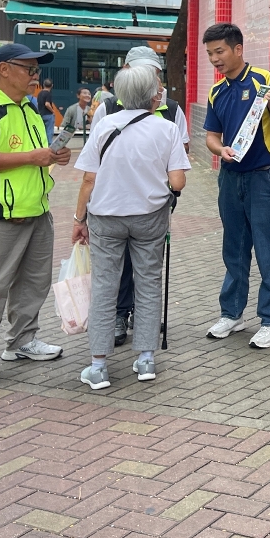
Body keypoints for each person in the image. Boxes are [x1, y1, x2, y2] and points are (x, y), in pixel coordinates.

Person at [70, 65, 190, 389]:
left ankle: (98, 366)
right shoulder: (167, 129)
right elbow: (178, 181)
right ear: (153, 96)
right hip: (150, 216)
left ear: (120, 94)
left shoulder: (104, 125)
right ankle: (146, 359)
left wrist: (79, 220)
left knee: (104, 287)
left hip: (106, 217)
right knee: (148, 283)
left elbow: (88, 179)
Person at [0, 44, 70, 385]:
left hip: (36, 209)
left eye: (37, 70)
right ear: (4, 69)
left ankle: (22, 341)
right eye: (29, 69)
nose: (35, 75)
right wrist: (32, 157)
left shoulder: (28, 107)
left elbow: (33, 154)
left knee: (33, 283)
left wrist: (53, 156)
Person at [92, 46, 191, 345]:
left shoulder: (171, 109)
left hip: (149, 204)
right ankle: (120, 315)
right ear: (127, 71)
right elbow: (94, 160)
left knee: (144, 268)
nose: (153, 80)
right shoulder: (107, 109)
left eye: (156, 73)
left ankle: (140, 317)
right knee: (122, 266)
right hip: (114, 202)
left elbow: (182, 150)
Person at [203, 23, 270, 349]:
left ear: (238, 49)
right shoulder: (216, 91)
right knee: (234, 248)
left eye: (219, 51)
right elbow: (211, 136)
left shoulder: (264, 80)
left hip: (265, 178)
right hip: (230, 178)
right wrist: (220, 150)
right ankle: (232, 314)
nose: (215, 59)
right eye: (210, 53)